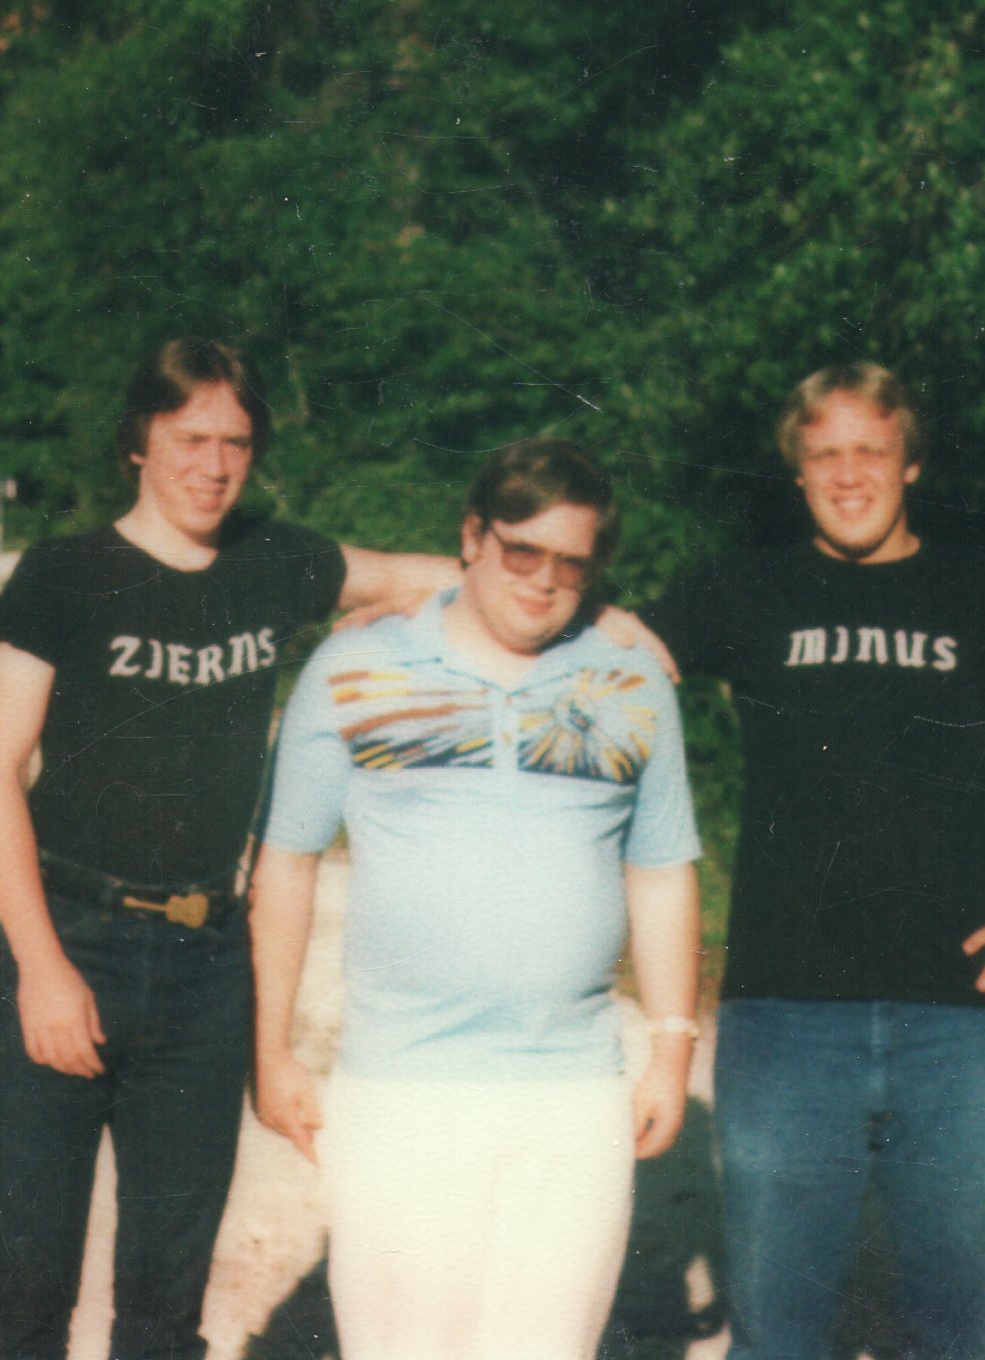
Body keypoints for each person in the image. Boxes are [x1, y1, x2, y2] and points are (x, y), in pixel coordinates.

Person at [0, 337, 466, 1360]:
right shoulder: (64, 573)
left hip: (205, 969)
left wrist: (582, 605)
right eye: (189, 436)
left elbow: (422, 576)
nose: (214, 462)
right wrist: (43, 969)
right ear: (139, 443)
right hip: (71, 941)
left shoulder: (274, 562)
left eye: (236, 441)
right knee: (24, 1298)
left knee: (165, 1309)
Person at [646, 363, 985, 1360]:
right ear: (797, 472)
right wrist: (423, 598)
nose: (847, 472)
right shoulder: (742, 588)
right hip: (783, 1019)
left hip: (959, 1020)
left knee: (967, 1333)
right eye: (824, 453)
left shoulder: (979, 590)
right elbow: (591, 652)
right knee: (776, 1335)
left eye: (869, 449)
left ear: (909, 463)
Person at [250, 437, 703, 1360]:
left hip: (573, 1094)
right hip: (401, 1090)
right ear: (471, 538)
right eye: (521, 551)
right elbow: (284, 864)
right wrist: (271, 1052)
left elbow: (660, 872)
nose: (542, 581)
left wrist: (668, 1048)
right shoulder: (353, 668)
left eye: (571, 564)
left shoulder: (633, 678)